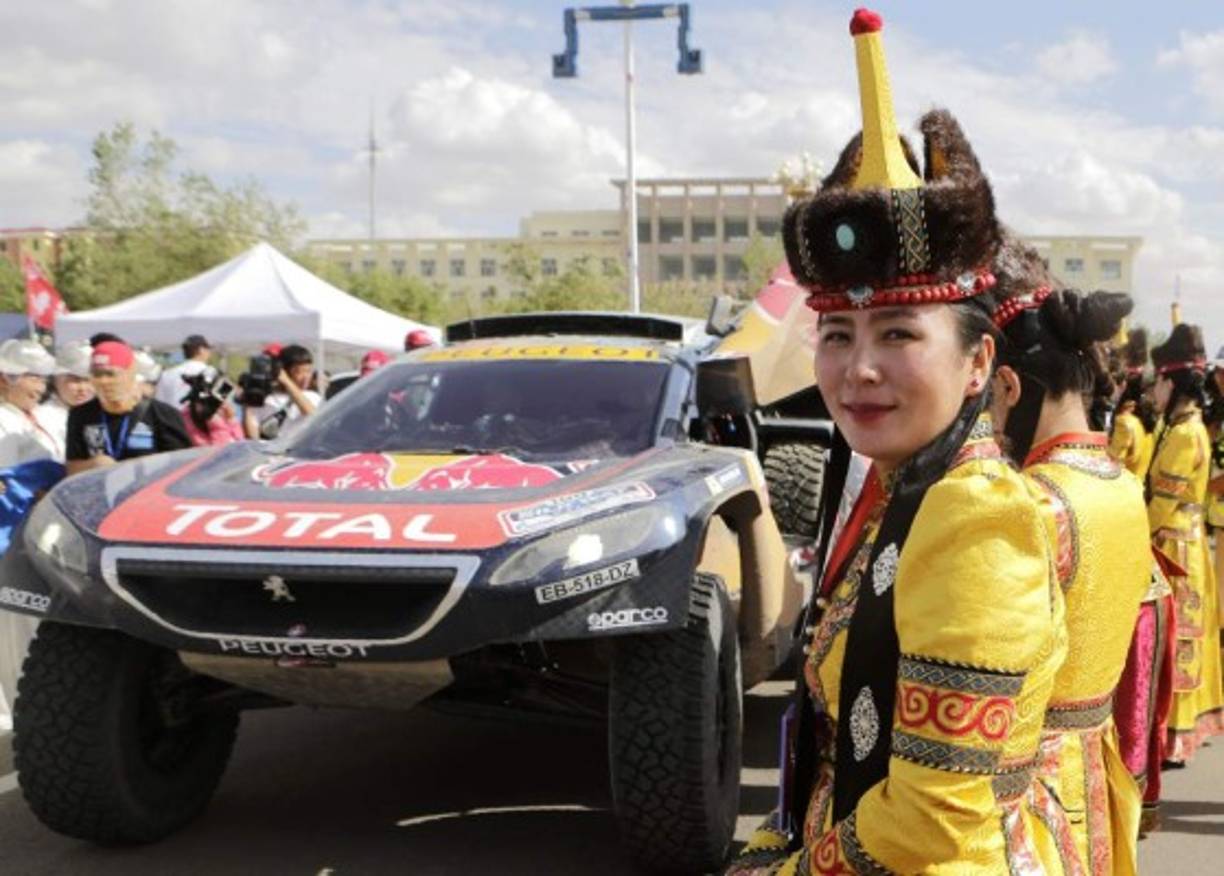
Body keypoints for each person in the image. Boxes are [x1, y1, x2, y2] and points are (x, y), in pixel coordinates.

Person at [730, 11, 1069, 872]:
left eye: (899, 334)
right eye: (837, 334)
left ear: (976, 361)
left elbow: (930, 822)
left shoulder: (975, 521)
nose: (858, 369)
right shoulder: (899, 489)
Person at [987, 238, 1149, 872]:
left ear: (1008, 384)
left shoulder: (1032, 504)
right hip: (1093, 759)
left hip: (1030, 788)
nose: (996, 423)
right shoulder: (1124, 487)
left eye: (995, 404)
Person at [1148, 323, 1224, 764]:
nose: (1155, 390)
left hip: (1173, 547)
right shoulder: (1187, 427)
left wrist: (1135, 534)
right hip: (1184, 544)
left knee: (1176, 640)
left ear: (1173, 383)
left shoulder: (1181, 434)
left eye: (1160, 381)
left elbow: (1163, 501)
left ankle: (1172, 736)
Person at [0, 338, 65, 734]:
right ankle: (15, 705)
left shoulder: (36, 418)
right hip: (8, 532)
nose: (39, 386)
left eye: (43, 377)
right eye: (31, 376)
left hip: (34, 531)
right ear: (5, 378)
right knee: (13, 621)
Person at [65, 340, 192, 476]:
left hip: (146, 494)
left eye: (110, 374)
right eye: (97, 375)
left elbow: (184, 469)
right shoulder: (80, 415)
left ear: (130, 373)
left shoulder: (163, 414)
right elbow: (71, 469)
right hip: (99, 494)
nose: (103, 382)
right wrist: (93, 464)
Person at [242, 344, 322, 440]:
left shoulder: (312, 396)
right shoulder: (267, 399)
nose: (306, 377)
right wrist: (247, 406)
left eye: (308, 371)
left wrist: (286, 381)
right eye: (299, 372)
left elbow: (311, 413)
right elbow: (252, 436)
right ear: (285, 371)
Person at [34, 341, 94, 461]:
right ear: (55, 380)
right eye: (75, 380)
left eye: (88, 380)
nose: (82, 388)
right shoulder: (42, 417)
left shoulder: (100, 414)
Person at [181, 367, 243, 447]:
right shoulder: (187, 417)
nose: (223, 401)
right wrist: (216, 426)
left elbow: (240, 444)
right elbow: (216, 453)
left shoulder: (223, 411)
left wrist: (231, 419)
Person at [155, 333, 212, 407]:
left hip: (172, 417)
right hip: (199, 418)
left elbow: (159, 404)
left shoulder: (166, 374)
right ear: (201, 350)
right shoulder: (212, 373)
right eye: (208, 348)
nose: (210, 352)